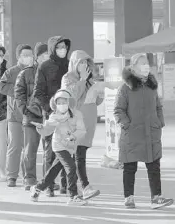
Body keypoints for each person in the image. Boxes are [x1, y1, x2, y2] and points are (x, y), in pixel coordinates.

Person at [114, 53, 173, 209]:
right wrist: (128, 125)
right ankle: (129, 197)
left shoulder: (152, 86)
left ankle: (156, 197)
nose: (146, 66)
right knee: (130, 167)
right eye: (141, 63)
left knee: (154, 166)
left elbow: (158, 107)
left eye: (147, 62)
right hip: (132, 134)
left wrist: (159, 123)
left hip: (151, 133)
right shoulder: (125, 88)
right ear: (133, 68)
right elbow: (118, 110)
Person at [29, 36, 71, 196]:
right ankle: (48, 185)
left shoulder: (69, 65)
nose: (63, 50)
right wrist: (51, 107)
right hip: (52, 114)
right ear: (53, 48)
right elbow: (38, 93)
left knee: (67, 149)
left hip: (68, 114)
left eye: (65, 47)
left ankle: (66, 184)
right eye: (59, 47)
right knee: (51, 151)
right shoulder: (45, 67)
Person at [29, 90, 87, 206]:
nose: (62, 105)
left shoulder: (77, 114)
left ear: (69, 102)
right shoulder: (54, 116)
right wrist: (41, 128)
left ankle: (37, 188)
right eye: (59, 102)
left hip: (70, 146)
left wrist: (73, 136)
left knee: (54, 171)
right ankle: (73, 195)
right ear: (55, 104)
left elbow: (82, 130)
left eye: (64, 101)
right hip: (59, 146)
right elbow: (47, 130)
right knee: (71, 167)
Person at [61, 50, 102, 200]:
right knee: (78, 155)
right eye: (81, 62)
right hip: (74, 123)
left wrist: (100, 93)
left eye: (86, 62)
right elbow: (72, 97)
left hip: (89, 122)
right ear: (75, 63)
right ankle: (85, 186)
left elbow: (96, 101)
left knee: (70, 155)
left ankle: (63, 185)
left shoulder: (90, 79)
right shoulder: (67, 78)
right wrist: (82, 80)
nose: (84, 65)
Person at [14, 42, 48, 189]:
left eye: (48, 55)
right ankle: (29, 179)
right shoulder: (26, 73)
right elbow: (18, 94)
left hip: (49, 116)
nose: (45, 58)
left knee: (50, 151)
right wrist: (25, 111)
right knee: (30, 149)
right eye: (43, 55)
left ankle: (48, 180)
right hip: (31, 116)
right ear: (37, 57)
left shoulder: (54, 72)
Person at [0, 44, 34, 188]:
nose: (28, 57)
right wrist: (18, 91)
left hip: (30, 115)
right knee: (14, 147)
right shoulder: (11, 72)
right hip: (14, 116)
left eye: (30, 55)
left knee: (28, 148)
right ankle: (11, 176)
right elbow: (2, 87)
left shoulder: (35, 71)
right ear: (18, 57)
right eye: (25, 55)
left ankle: (27, 176)